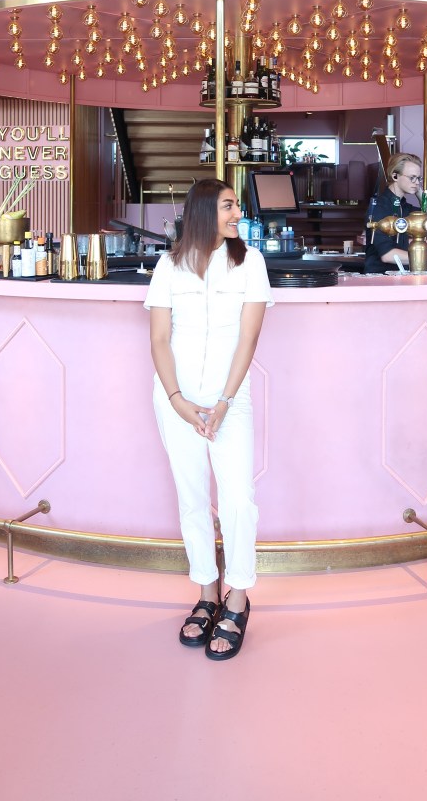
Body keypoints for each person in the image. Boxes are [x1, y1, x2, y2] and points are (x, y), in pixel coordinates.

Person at [144, 178, 273, 660]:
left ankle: (238, 597)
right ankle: (206, 592)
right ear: (203, 213)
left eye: (236, 205)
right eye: (228, 206)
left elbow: (248, 338)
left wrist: (223, 401)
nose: (237, 213)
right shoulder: (168, 266)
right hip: (175, 400)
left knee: (238, 500)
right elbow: (159, 339)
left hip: (229, 402)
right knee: (193, 499)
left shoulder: (250, 263)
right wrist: (178, 400)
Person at [364, 151, 427, 271]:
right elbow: (387, 255)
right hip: (379, 276)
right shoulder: (380, 206)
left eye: (418, 178)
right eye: (412, 178)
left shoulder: (404, 206)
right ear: (395, 176)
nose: (416, 182)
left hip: (400, 276)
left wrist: (418, 190)